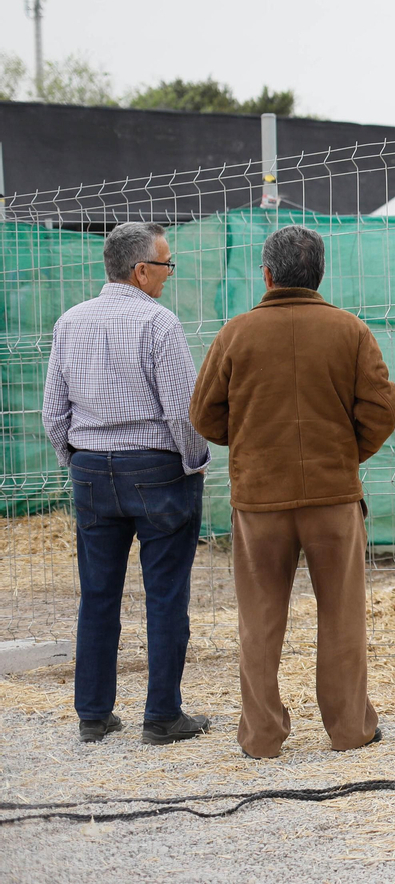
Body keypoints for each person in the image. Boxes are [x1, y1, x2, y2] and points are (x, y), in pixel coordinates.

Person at [190, 225, 395, 759]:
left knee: (259, 620)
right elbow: (381, 407)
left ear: (266, 274)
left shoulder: (235, 334)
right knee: (342, 614)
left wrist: (252, 444)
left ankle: (262, 737)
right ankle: (350, 729)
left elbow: (204, 414)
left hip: (259, 500)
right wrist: (348, 454)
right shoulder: (349, 331)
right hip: (333, 496)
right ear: (320, 274)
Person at [42, 221, 213, 745]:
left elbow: (54, 413)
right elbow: (184, 413)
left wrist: (76, 458)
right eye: (166, 264)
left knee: (97, 595)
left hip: (92, 470)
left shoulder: (69, 322)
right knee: (165, 595)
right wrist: (194, 461)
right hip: (156, 469)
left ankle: (93, 714)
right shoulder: (159, 324)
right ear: (141, 271)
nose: (168, 274)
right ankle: (161, 716)